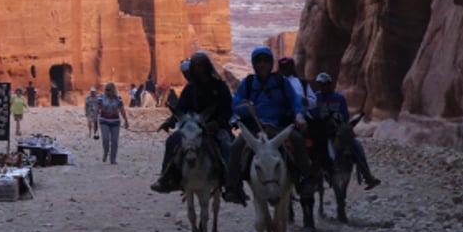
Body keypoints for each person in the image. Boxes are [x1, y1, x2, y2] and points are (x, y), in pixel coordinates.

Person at [223, 45, 310, 206]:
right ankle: (232, 188)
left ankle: (305, 181)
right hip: (256, 128)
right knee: (236, 146)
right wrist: (246, 109)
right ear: (254, 64)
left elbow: (295, 101)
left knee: (298, 140)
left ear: (271, 64)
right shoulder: (248, 83)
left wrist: (299, 115)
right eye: (259, 61)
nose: (262, 64)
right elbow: (236, 105)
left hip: (279, 127)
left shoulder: (281, 82)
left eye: (265, 60)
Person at [150, 51, 233, 193]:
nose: (199, 69)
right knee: (172, 141)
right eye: (196, 66)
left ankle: (232, 184)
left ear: (207, 66)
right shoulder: (191, 88)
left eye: (201, 65)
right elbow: (181, 108)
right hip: (194, 128)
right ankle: (166, 178)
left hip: (216, 127)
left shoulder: (220, 86)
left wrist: (218, 123)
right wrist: (170, 121)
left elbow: (227, 109)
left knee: (227, 145)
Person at [311, 72, 381, 189]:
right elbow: (313, 114)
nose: (323, 87)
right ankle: (311, 179)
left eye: (324, 85)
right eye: (320, 85)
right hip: (323, 131)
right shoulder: (316, 97)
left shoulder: (339, 98)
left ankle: (367, 176)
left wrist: (341, 125)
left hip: (338, 130)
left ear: (330, 84)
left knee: (356, 145)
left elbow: (345, 117)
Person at [96, 82, 130, 163]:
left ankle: (113, 158)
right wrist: (100, 110)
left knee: (114, 141)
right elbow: (98, 108)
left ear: (113, 90)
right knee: (105, 138)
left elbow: (122, 110)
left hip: (115, 122)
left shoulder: (118, 98)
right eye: (106, 90)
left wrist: (126, 120)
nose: (108, 92)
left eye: (109, 90)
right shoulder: (101, 97)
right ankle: (105, 152)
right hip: (104, 120)